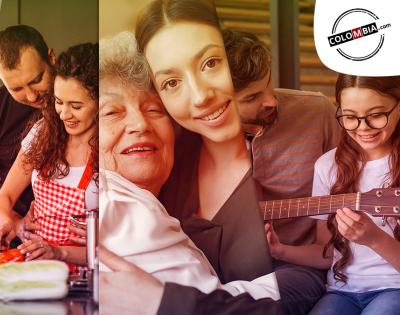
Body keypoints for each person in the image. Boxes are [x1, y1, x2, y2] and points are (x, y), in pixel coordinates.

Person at [99, 31, 279, 299]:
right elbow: (208, 306)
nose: (140, 124)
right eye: (111, 112)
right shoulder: (118, 204)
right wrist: (288, 283)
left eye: (154, 110)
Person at [137, 0, 272, 283]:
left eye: (210, 63)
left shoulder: (290, 148)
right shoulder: (161, 163)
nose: (200, 97)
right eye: (171, 83)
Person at [222, 29, 341, 314]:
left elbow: (351, 180)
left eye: (268, 85)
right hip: (219, 264)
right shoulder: (190, 133)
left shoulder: (318, 113)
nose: (271, 101)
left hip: (298, 265)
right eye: (252, 97)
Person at [268, 74, 400, 315]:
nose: (363, 127)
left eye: (376, 114)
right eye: (350, 117)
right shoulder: (328, 166)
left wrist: (374, 239)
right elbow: (327, 253)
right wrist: (280, 250)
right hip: (341, 291)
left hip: (394, 288)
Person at [0, 43, 98, 265]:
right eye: (59, 102)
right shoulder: (42, 132)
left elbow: (117, 247)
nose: (64, 114)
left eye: (76, 106)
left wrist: (60, 251)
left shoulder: (111, 152)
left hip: (83, 274)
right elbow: (4, 197)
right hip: (34, 266)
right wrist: (6, 222)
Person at [0, 24, 55, 225]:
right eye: (16, 89)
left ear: (51, 58)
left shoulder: (83, 94)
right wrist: (15, 225)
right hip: (16, 235)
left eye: (37, 80)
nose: (32, 96)